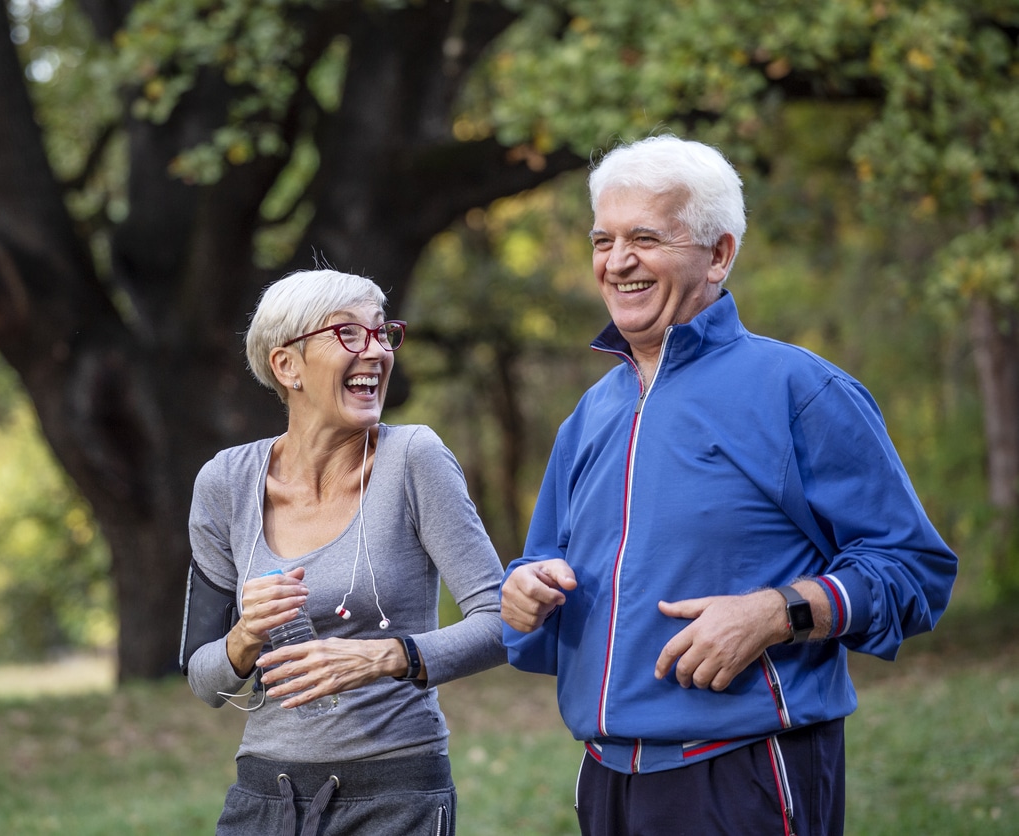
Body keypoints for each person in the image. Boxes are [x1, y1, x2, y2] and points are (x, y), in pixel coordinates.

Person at [500, 135, 957, 836]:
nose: (617, 261)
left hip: (745, 770)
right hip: (604, 778)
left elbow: (913, 572)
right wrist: (525, 590)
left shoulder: (800, 390)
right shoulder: (589, 415)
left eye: (645, 237)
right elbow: (540, 578)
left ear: (718, 254)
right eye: (603, 239)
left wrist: (776, 613)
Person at [182, 268, 506, 836]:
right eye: (350, 335)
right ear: (287, 366)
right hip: (264, 798)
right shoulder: (226, 482)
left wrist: (386, 657)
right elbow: (203, 678)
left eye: (382, 334)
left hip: (394, 793)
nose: (376, 352)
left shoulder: (414, 459)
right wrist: (244, 636)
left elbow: (505, 623)